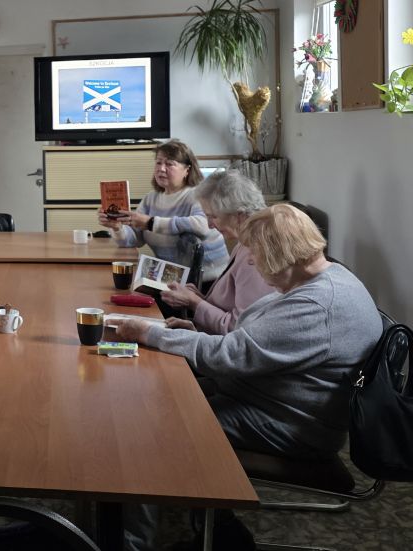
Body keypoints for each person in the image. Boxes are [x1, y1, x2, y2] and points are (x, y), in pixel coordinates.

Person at [112, 204, 382, 550]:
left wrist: (146, 333)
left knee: (147, 433)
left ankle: (133, 543)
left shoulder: (315, 305)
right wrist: (195, 331)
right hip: (274, 399)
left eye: (254, 253)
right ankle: (211, 516)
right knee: (161, 395)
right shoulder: (331, 276)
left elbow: (229, 357)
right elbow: (252, 342)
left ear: (280, 253)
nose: (251, 262)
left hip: (289, 425)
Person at [98, 139, 230, 285]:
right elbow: (133, 239)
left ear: (187, 170)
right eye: (158, 162)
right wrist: (117, 227)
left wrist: (151, 222)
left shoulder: (197, 195)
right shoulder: (150, 199)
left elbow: (203, 226)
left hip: (208, 281)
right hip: (171, 278)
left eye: (169, 164)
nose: (161, 168)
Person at [159, 170, 275, 334]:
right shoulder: (245, 242)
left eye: (213, 216)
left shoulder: (256, 255)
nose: (209, 224)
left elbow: (239, 330)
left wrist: (194, 302)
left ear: (239, 215)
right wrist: (199, 298)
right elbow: (229, 304)